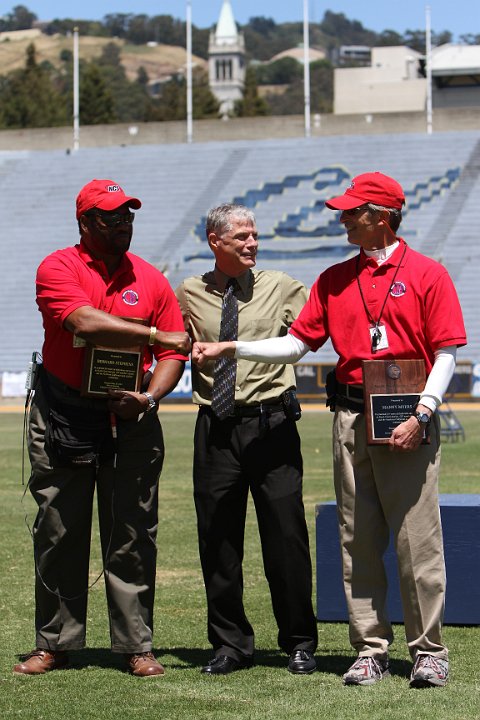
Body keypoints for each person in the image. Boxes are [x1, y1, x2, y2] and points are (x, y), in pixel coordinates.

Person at [192, 173, 467, 688]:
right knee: (356, 538)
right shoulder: (334, 278)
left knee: (417, 540)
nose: (341, 219)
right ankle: (369, 647)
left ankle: (428, 649)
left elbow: (448, 351)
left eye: (352, 212)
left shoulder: (429, 274)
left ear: (381, 216)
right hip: (349, 417)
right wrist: (235, 348)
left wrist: (424, 412)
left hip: (409, 415)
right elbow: (297, 345)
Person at [14, 179, 190, 678]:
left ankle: (136, 645)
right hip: (64, 415)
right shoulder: (58, 267)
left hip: (131, 418)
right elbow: (84, 322)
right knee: (58, 530)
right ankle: (54, 642)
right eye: (112, 219)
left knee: (133, 531)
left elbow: (174, 355)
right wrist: (153, 332)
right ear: (85, 223)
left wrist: (150, 397)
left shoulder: (151, 279)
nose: (123, 226)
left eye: (128, 217)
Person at [175, 203, 318, 675]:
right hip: (215, 429)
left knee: (287, 538)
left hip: (272, 425)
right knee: (218, 540)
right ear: (215, 241)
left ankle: (299, 642)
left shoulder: (282, 287)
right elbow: (172, 346)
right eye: (242, 237)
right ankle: (230, 645)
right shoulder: (190, 293)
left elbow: (314, 332)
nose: (252, 243)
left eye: (254, 235)